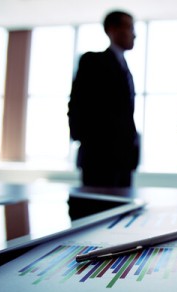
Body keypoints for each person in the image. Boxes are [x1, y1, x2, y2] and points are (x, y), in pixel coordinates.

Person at [67, 10, 139, 188]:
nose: (134, 34)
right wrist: (86, 142)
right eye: (129, 27)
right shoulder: (93, 61)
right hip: (98, 159)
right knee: (96, 209)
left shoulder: (125, 68)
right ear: (112, 30)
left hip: (124, 161)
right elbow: (77, 105)